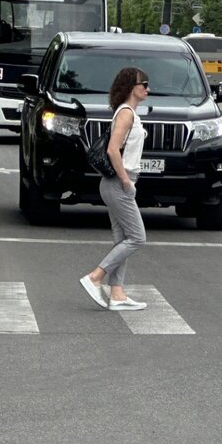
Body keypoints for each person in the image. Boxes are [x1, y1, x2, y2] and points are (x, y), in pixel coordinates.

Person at [79, 67, 150, 311]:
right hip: (118, 184)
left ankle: (117, 293)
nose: (147, 89)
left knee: (123, 239)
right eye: (144, 84)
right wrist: (126, 182)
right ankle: (95, 277)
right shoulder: (126, 113)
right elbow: (112, 149)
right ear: (132, 86)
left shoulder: (129, 113)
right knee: (138, 237)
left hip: (119, 183)